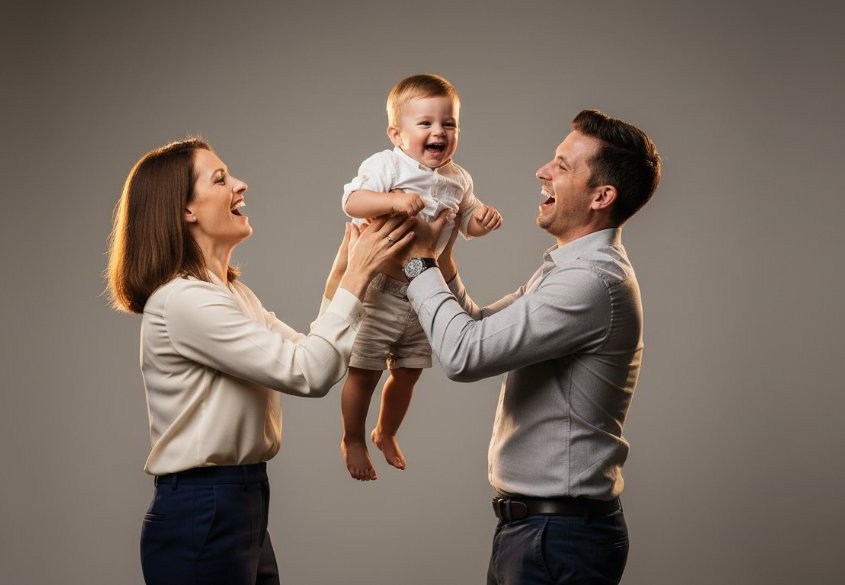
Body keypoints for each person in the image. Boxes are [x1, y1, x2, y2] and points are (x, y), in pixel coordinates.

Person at [106, 138, 414, 585]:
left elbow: (313, 354)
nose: (240, 185)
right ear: (185, 210)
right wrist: (358, 276)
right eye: (220, 179)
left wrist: (341, 275)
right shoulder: (183, 301)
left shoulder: (230, 295)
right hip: (204, 506)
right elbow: (310, 373)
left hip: (241, 501)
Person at [400, 109, 661, 584]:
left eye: (562, 165)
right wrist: (440, 259)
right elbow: (478, 326)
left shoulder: (590, 282)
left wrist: (418, 264)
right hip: (539, 532)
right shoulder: (567, 270)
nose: (542, 171)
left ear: (602, 196)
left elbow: (464, 354)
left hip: (558, 537)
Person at [339, 73, 503, 480]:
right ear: (396, 134)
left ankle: (386, 430)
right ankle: (354, 437)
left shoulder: (458, 178)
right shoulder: (386, 164)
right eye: (425, 124)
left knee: (409, 371)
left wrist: (481, 219)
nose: (439, 132)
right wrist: (392, 199)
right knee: (365, 371)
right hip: (382, 288)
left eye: (448, 124)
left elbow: (465, 223)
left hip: (426, 293)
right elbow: (352, 201)